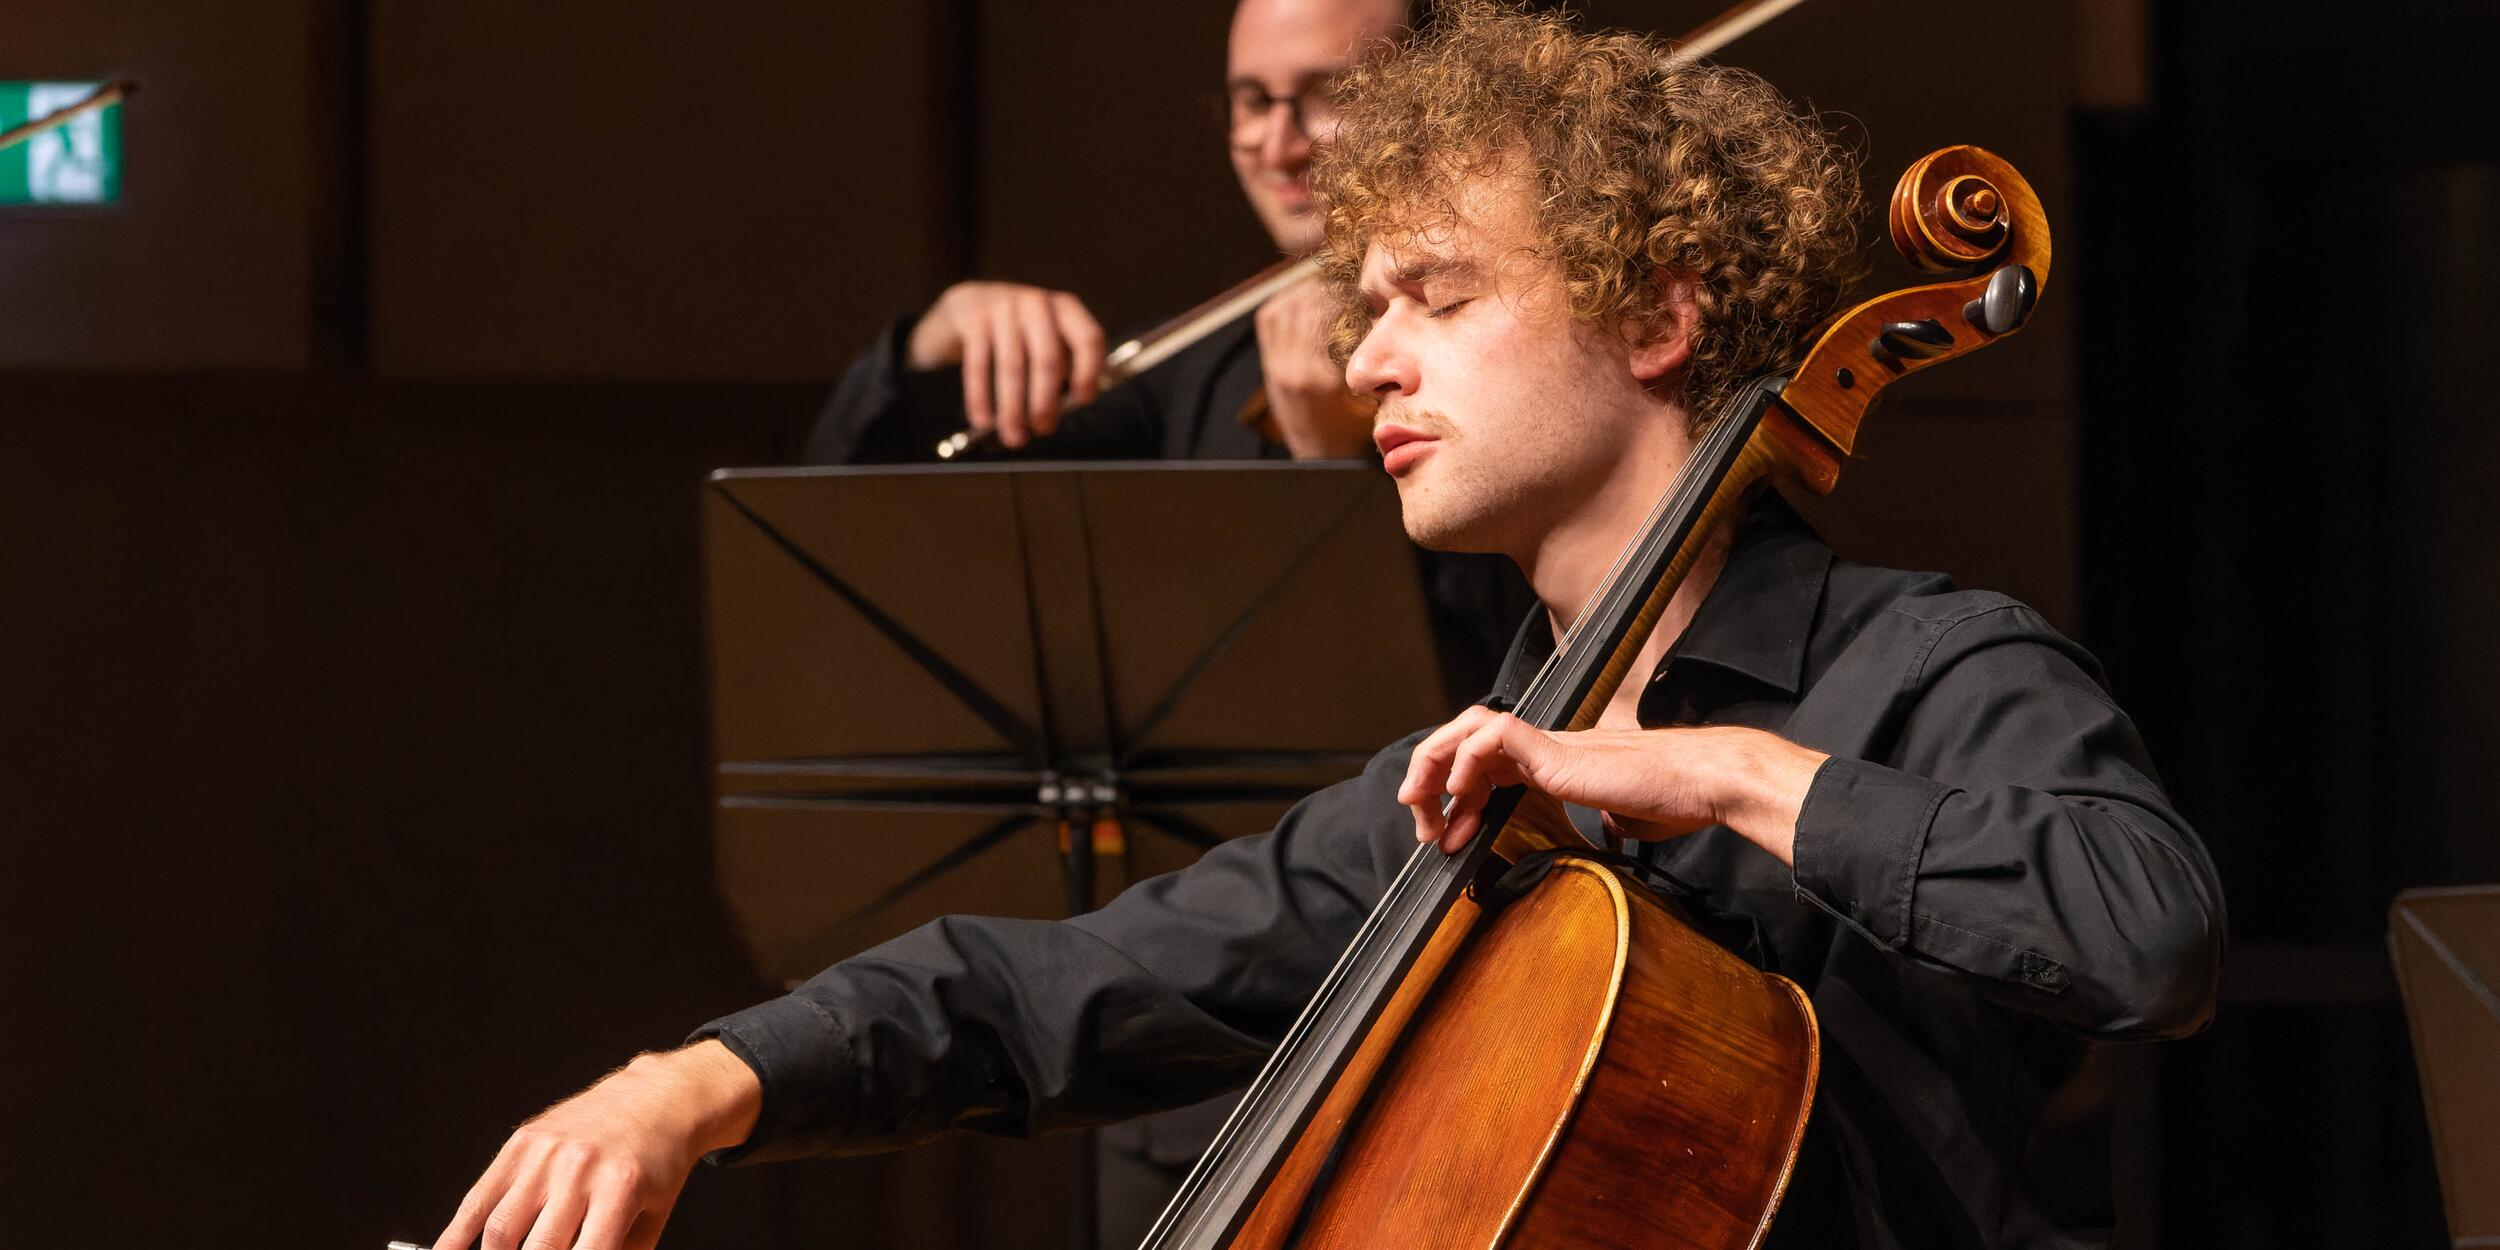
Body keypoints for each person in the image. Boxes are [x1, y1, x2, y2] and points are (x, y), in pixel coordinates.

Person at [433, 5, 2225, 1248]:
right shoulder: (1459, 798)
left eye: (1436, 298)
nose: (1368, 356)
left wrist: (1728, 770)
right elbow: (1053, 990)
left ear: (1659, 316)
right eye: (1370, 305)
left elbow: (2149, 933)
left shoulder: (1927, 666)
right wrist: (690, 1086)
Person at [808, 0, 1534, 717]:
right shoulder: (1199, 365)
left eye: (1334, 94)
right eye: (1253, 101)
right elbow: (860, 531)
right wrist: (927, 349)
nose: (1280, 145)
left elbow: (1498, 698)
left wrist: (1332, 469)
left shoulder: (1512, 344)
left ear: (1443, 97)